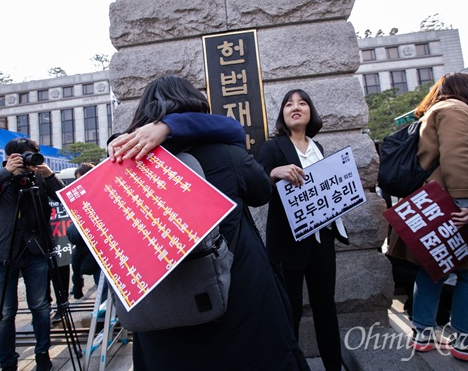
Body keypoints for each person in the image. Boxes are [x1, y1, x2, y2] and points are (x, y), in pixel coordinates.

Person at [108, 75, 309, 371]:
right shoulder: (228, 154)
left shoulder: (120, 167)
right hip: (238, 298)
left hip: (160, 310)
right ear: (193, 106)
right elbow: (261, 191)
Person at [388, 72, 468, 365]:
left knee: (434, 267)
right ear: (467, 90)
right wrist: (467, 200)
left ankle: (424, 332)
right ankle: (466, 340)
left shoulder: (436, 110)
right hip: (452, 204)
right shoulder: (456, 109)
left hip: (433, 201)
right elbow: (458, 154)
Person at [255, 89, 348, 371]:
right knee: (290, 312)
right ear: (282, 113)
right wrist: (274, 173)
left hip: (322, 240)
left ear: (311, 113)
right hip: (287, 242)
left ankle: (334, 365)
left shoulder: (318, 149)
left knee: (326, 308)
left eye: (303, 103)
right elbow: (256, 188)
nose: (296, 107)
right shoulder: (272, 149)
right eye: (289, 104)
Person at [0, 138, 65, 371]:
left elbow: (66, 198)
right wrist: (5, 172)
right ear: (11, 157)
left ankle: (42, 354)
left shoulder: (39, 177)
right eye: (26, 155)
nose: (31, 159)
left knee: (40, 306)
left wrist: (49, 175)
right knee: (5, 312)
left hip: (36, 251)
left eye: (33, 154)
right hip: (3, 251)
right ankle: (7, 361)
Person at [67, 163, 100, 299]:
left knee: (100, 279)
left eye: (82, 178)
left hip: (97, 247)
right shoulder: (77, 196)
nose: (79, 182)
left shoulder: (100, 193)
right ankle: (77, 289)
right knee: (76, 267)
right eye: (77, 179)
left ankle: (103, 311)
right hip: (81, 243)